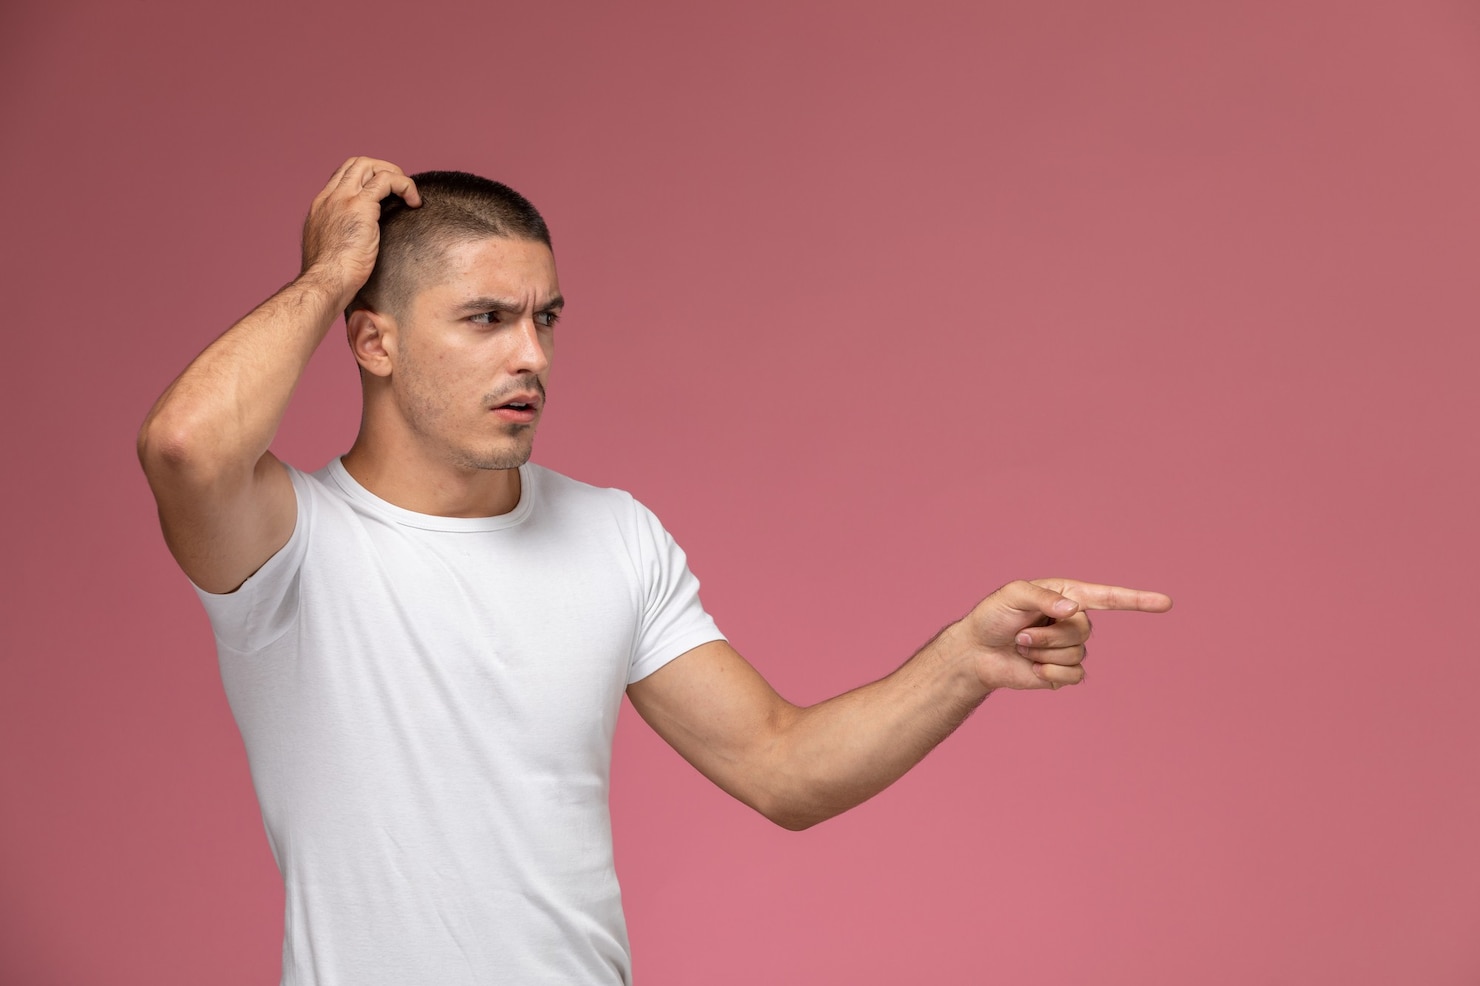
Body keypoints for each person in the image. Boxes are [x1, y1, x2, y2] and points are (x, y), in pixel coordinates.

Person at [138, 156, 1172, 985]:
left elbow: (784, 766)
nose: (531, 355)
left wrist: (964, 659)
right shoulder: (291, 543)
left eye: (544, 319)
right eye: (485, 318)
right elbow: (185, 444)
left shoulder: (612, 534)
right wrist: (327, 273)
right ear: (372, 339)